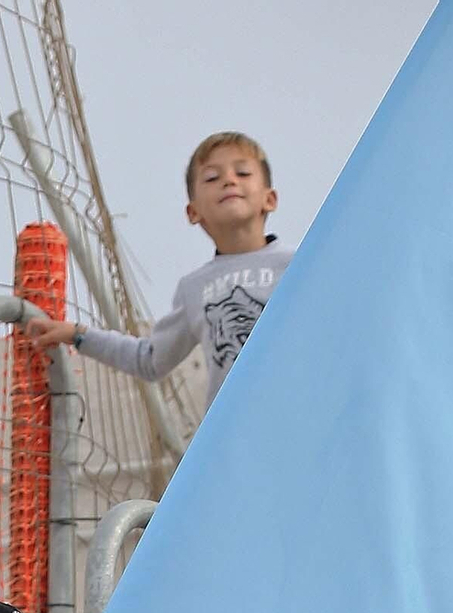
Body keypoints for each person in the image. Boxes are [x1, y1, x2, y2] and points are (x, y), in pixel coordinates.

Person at [29, 132, 288, 410]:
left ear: (270, 199)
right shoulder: (195, 288)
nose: (229, 180)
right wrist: (78, 334)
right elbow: (150, 359)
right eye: (212, 178)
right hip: (236, 437)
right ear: (193, 212)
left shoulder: (299, 264)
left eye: (243, 172)